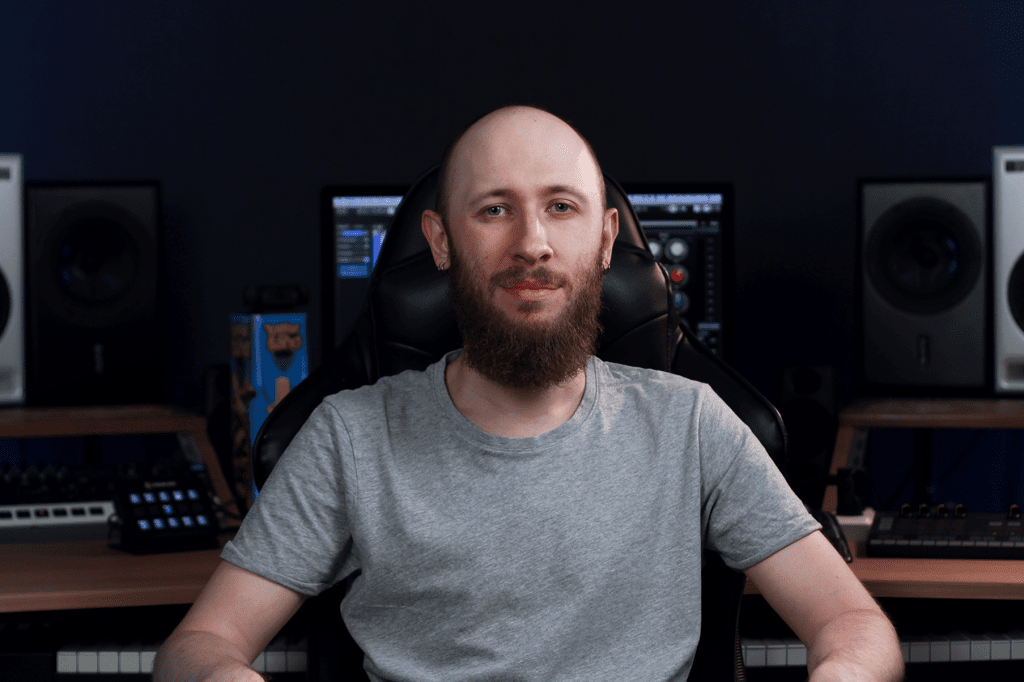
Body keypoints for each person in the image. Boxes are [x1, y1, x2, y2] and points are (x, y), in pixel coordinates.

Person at [154, 105, 904, 682]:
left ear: (607, 240)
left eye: (561, 207)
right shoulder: (350, 435)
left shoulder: (691, 424)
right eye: (493, 209)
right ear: (441, 240)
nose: (531, 243)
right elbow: (199, 643)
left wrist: (840, 668)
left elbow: (852, 622)